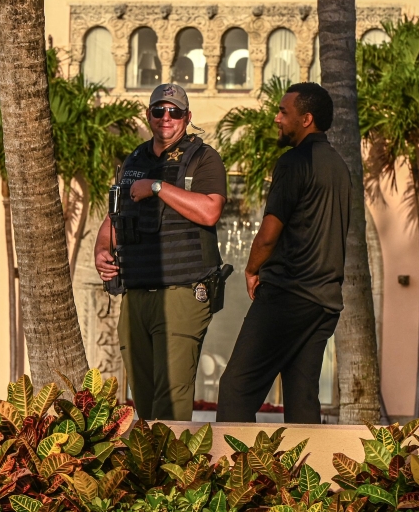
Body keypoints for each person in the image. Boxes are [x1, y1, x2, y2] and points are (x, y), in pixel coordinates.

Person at [216, 83, 349, 424]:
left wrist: (251, 269)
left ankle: (237, 474)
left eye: (283, 112)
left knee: (236, 389)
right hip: (324, 303)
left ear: (306, 119)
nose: (277, 118)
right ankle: (305, 475)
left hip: (288, 295)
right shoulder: (339, 167)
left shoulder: (294, 162)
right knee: (302, 397)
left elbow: (268, 236)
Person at [94, 83, 227, 421]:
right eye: (159, 110)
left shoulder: (203, 158)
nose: (166, 117)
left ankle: (174, 473)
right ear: (149, 115)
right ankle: (150, 472)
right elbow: (115, 217)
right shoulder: (135, 159)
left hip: (182, 292)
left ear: (187, 117)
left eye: (175, 111)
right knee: (144, 401)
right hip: (136, 293)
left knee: (171, 402)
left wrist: (157, 188)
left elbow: (210, 211)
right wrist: (101, 251)